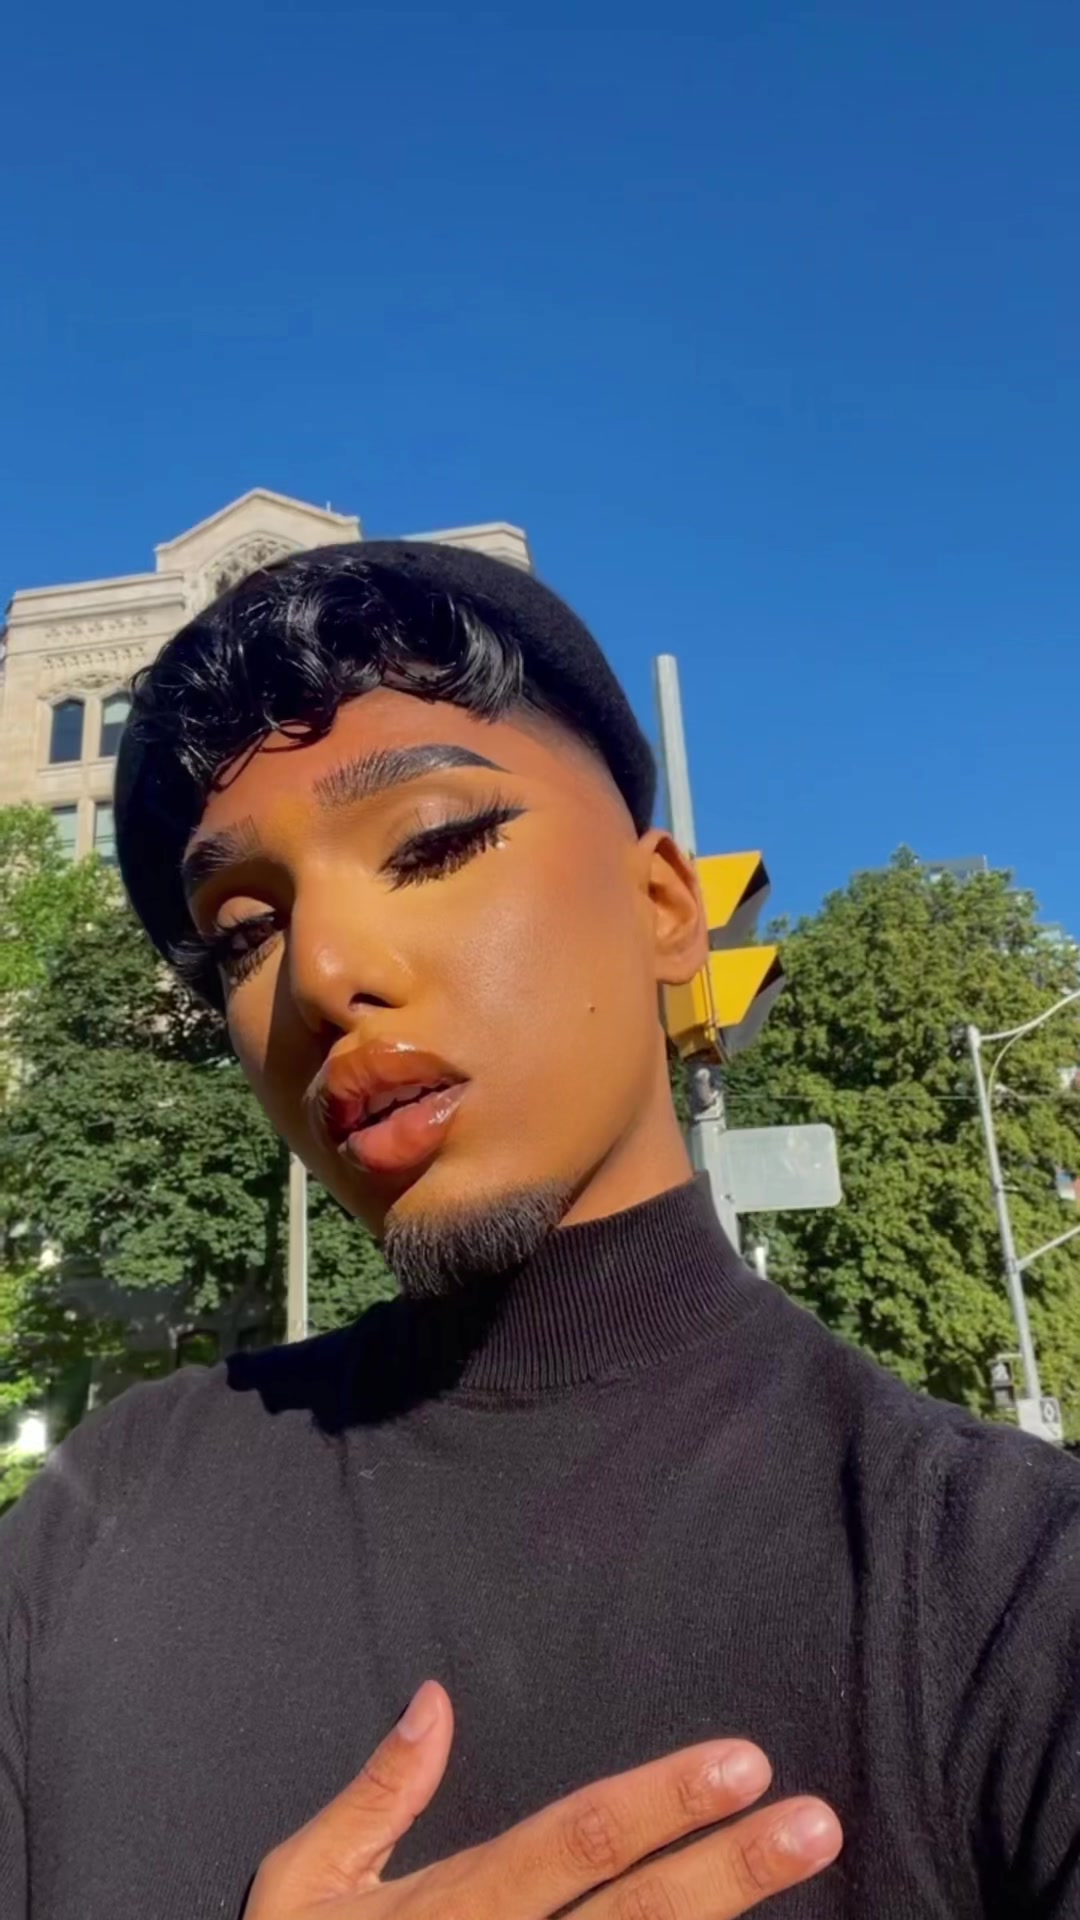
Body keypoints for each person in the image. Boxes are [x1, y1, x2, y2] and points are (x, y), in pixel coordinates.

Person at [1, 543, 1077, 1920]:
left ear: (664, 910)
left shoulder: (1007, 1594)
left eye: (433, 843)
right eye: (246, 935)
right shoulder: (95, 1524)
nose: (322, 975)